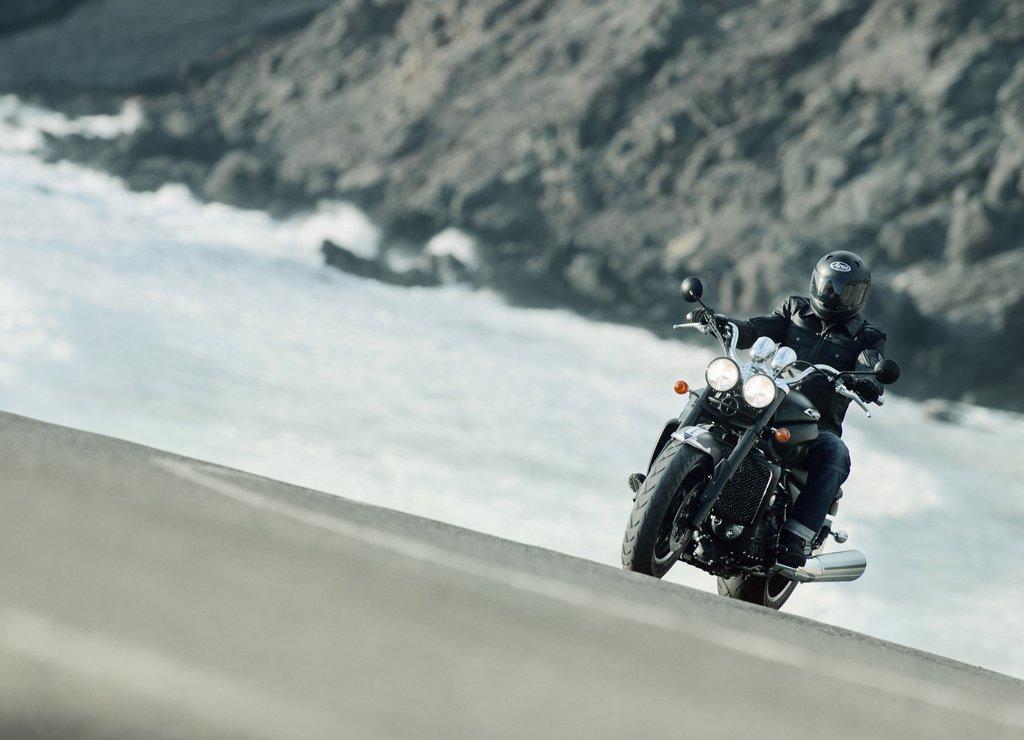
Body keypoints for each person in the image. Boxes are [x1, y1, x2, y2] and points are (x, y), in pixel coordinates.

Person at [696, 251, 887, 568]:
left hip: (815, 423)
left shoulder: (867, 336)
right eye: (830, 286)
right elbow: (756, 328)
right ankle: (660, 481)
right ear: (817, 283)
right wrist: (725, 324)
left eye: (846, 291)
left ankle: (796, 537)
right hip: (766, 401)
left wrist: (868, 381)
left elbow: (871, 364)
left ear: (860, 295)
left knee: (836, 452)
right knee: (707, 396)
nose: (835, 295)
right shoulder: (794, 310)